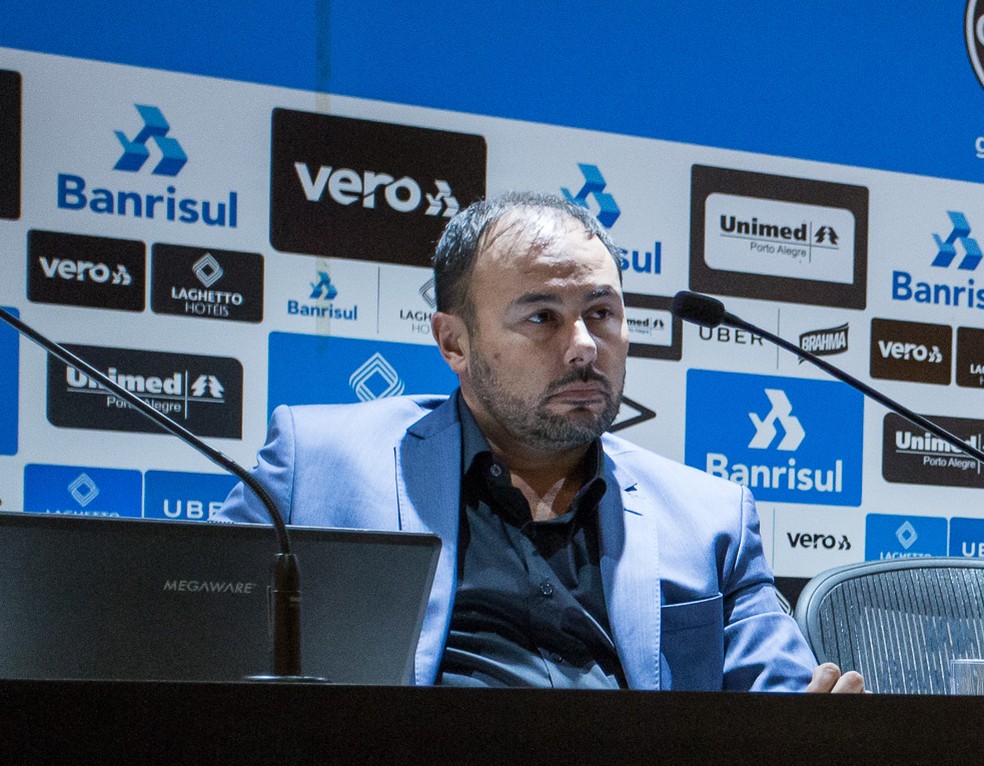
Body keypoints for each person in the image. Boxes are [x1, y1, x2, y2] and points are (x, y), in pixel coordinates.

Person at [219, 191, 864, 693]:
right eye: (542, 317)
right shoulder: (319, 465)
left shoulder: (711, 519)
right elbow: (189, 650)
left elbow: (785, 704)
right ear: (454, 343)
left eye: (601, 314)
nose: (584, 346)